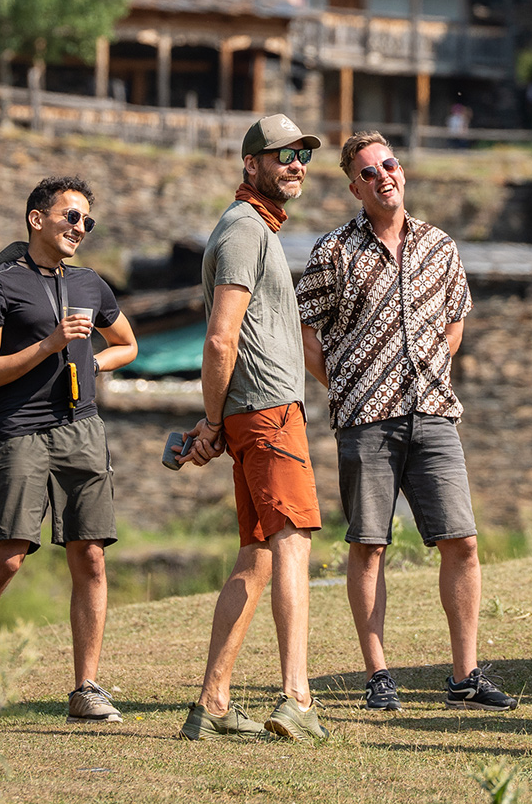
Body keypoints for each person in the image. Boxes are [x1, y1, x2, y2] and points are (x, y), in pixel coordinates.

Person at [297, 131, 517, 714]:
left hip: (435, 414)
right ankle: (378, 676)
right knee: (369, 545)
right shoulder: (332, 252)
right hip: (365, 420)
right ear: (354, 187)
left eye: (388, 164)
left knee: (463, 542)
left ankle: (465, 676)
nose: (382, 176)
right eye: (368, 173)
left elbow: (454, 322)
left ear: (402, 169)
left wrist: (430, 370)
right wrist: (346, 384)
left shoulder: (440, 246)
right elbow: (306, 335)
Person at [0, 177, 138, 729]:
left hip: (82, 429)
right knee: (8, 558)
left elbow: (127, 346)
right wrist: (50, 346)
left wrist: (88, 363)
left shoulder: (92, 284)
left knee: (91, 555)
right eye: (70, 216)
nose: (80, 228)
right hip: (21, 430)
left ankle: (86, 688)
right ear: (36, 219)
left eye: (87, 221)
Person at [178, 115, 329, 743]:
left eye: (302, 155)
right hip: (267, 410)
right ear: (251, 164)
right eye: (282, 155)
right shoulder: (243, 230)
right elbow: (220, 337)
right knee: (293, 540)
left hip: (252, 412)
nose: (295, 164)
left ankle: (212, 703)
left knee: (259, 554)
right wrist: (213, 420)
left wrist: (216, 422)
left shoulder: (254, 228)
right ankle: (296, 696)